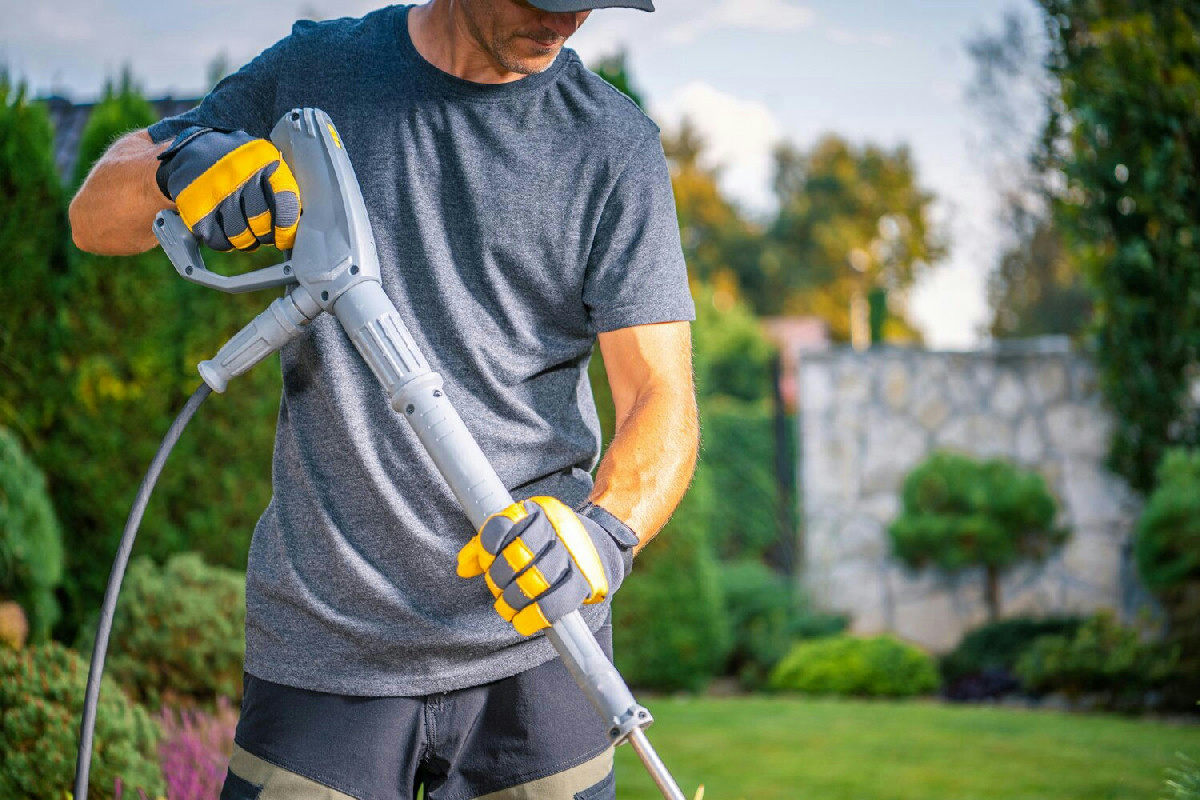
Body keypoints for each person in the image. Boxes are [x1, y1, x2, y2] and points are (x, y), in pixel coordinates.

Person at [69, 1, 698, 797]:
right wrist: (178, 167)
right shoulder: (318, 74)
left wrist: (606, 535)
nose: (567, 20)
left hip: (541, 644)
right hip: (327, 644)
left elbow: (661, 397)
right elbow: (94, 216)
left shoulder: (611, 143)